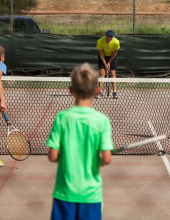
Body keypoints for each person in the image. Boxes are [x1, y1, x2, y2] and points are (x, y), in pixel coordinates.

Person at [46, 63, 113, 220]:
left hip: (65, 193)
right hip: (91, 195)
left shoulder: (62, 118)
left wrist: (67, 156)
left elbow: (53, 156)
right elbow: (106, 159)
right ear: (97, 91)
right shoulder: (102, 121)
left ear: (71, 90)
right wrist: (100, 160)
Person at [96, 30, 120, 99]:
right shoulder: (100, 41)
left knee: (112, 73)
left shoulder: (116, 42)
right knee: (102, 73)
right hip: (102, 57)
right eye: (108, 36)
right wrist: (105, 64)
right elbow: (100, 53)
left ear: (113, 37)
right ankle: (100, 92)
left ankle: (114, 92)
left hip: (112, 57)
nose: (109, 38)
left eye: (111, 37)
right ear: (105, 35)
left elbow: (115, 53)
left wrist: (109, 63)